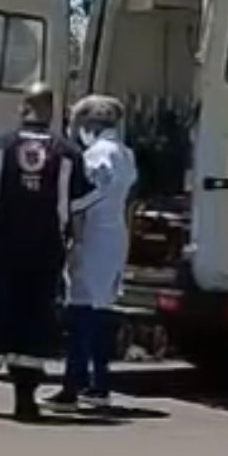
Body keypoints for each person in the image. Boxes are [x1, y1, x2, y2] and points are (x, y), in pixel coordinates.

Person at [0, 83, 99, 421]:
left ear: (22, 108)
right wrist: (76, 245)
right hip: (45, 249)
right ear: (54, 110)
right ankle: (25, 399)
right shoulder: (69, 154)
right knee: (35, 319)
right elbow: (79, 211)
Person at [43, 94, 137, 411]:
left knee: (80, 310)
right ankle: (100, 383)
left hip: (94, 235)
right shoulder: (126, 154)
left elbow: (83, 204)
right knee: (102, 309)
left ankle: (72, 385)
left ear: (86, 125)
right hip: (116, 234)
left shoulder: (94, 157)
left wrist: (75, 243)